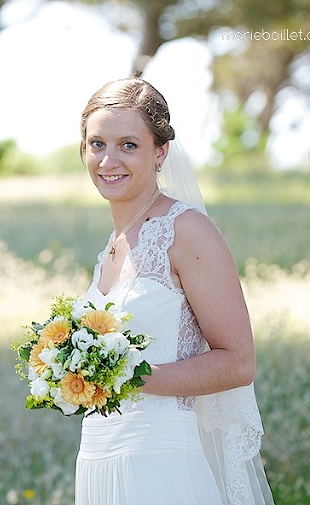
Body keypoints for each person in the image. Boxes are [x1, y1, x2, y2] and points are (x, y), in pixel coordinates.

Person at [75, 77, 274, 505]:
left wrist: (127, 377)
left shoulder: (187, 231)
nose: (109, 159)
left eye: (129, 144)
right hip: (98, 458)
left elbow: (238, 362)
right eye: (97, 144)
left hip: (160, 462)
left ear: (160, 151)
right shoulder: (111, 247)